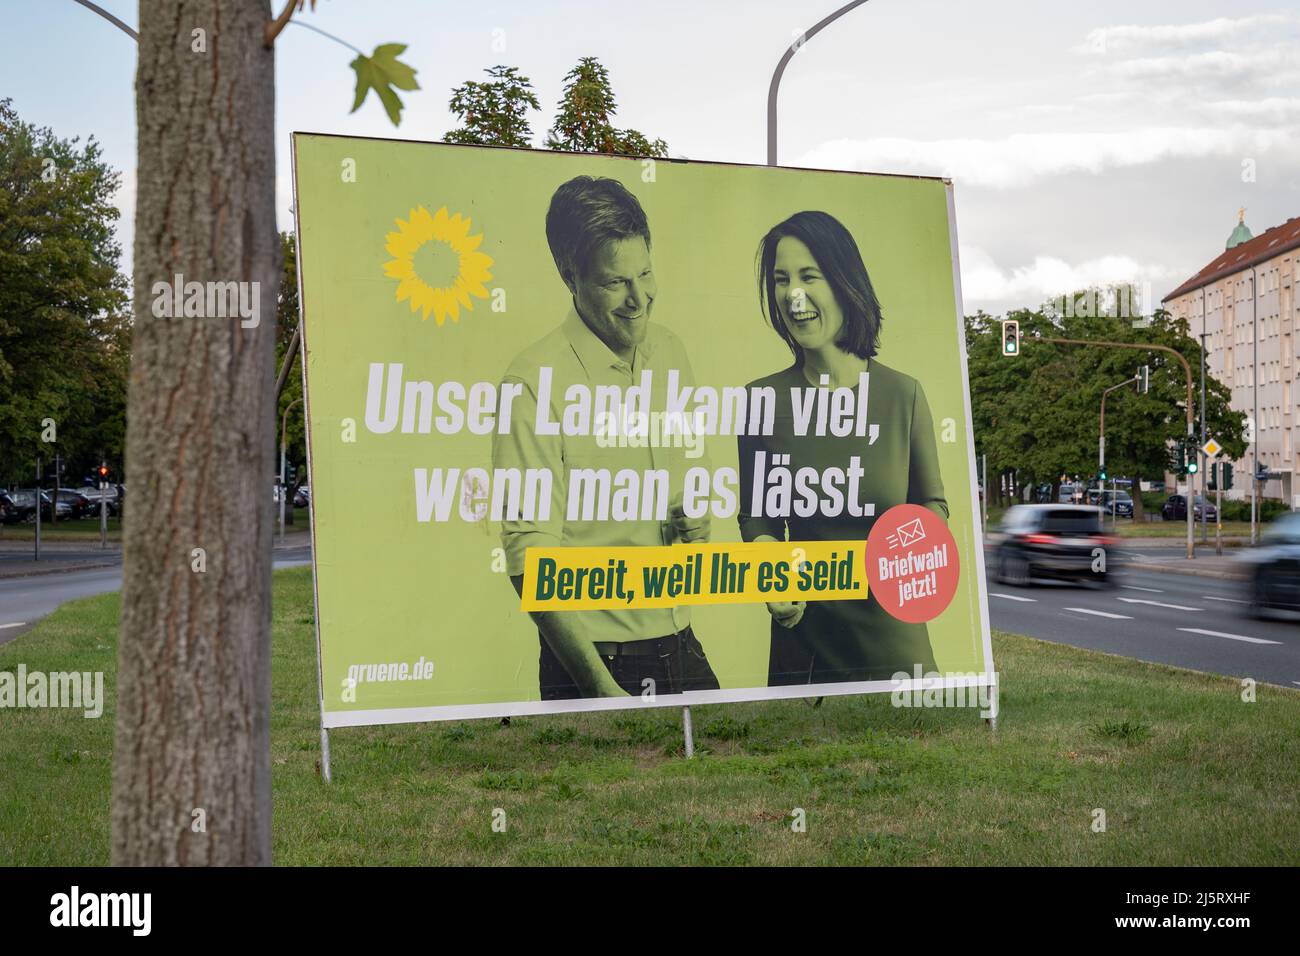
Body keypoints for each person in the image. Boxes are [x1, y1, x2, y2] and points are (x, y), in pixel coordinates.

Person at [492, 175, 720, 700]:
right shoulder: (531, 382)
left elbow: (694, 494)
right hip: (596, 667)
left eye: (645, 273)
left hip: (682, 647)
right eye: (615, 282)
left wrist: (696, 520)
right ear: (569, 276)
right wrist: (600, 691)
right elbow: (529, 559)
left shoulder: (671, 353)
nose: (639, 298)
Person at [738, 210, 948, 685]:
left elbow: (931, 504)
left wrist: (905, 558)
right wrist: (773, 573)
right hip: (805, 647)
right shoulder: (760, 400)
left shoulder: (903, 394)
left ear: (843, 281)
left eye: (809, 276)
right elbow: (757, 516)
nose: (794, 296)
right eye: (780, 280)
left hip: (896, 646)